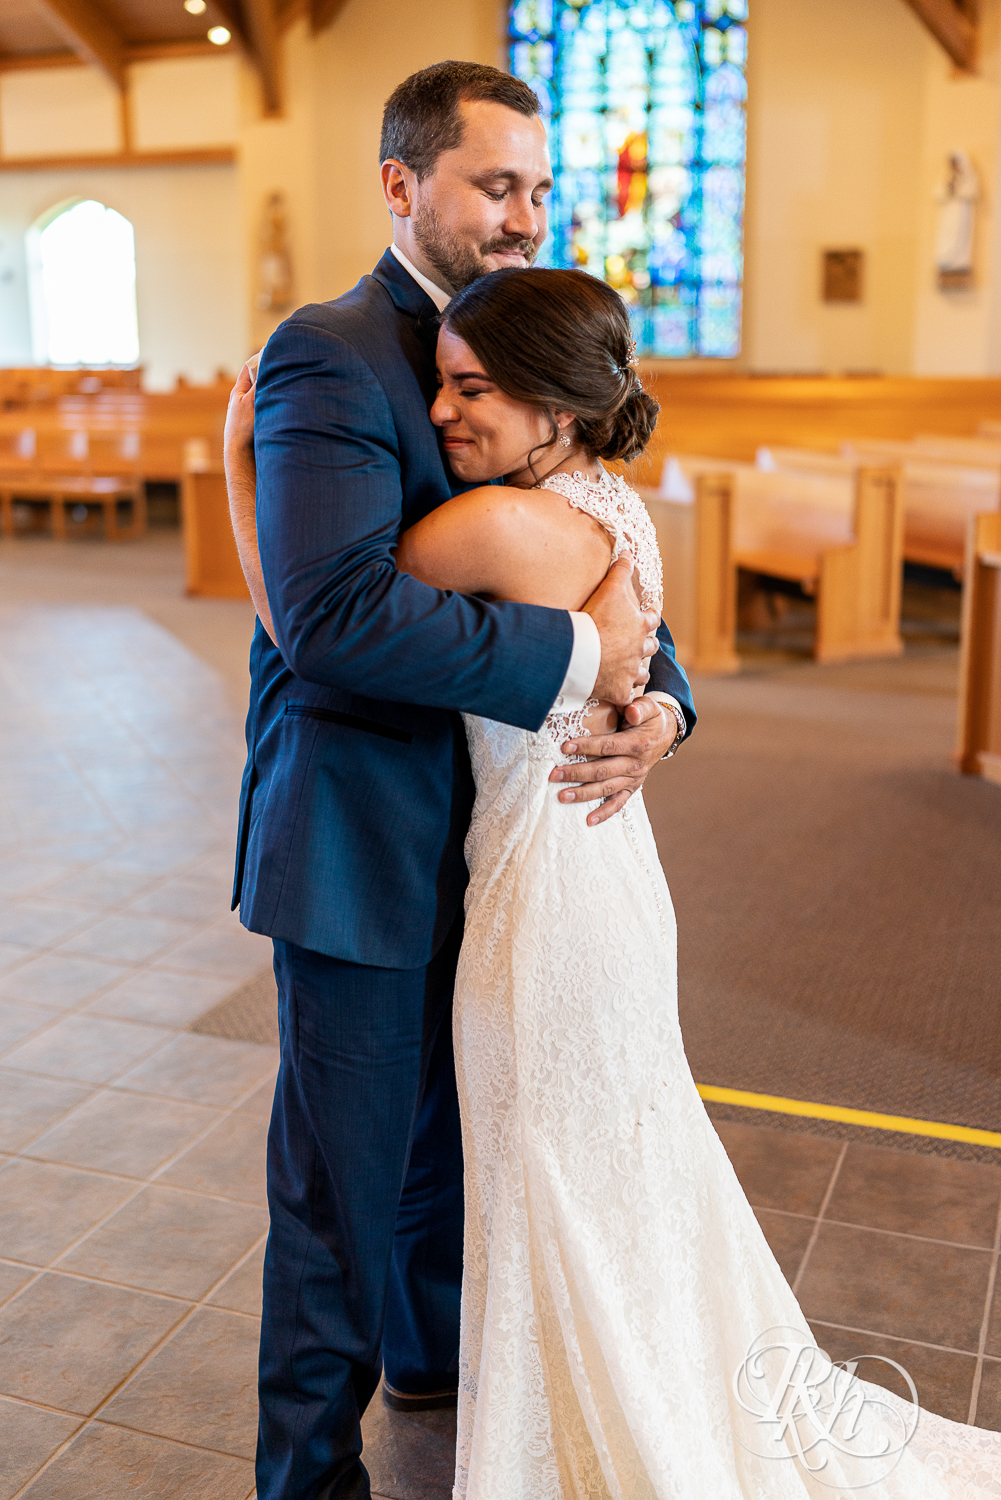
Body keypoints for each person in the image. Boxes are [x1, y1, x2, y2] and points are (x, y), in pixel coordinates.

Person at [393, 266, 1001, 1500]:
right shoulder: (616, 508)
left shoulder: (498, 527)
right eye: (439, 386)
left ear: (558, 404)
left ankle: (582, 1435)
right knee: (615, 1167)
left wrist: (252, 479)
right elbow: (624, 659)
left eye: (471, 389)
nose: (443, 414)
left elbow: (327, 616)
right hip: (608, 872)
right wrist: (656, 696)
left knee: (547, 1177)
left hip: (545, 898)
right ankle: (632, 1391)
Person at [224, 61, 696, 1500]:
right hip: (363, 838)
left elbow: (624, 580)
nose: (524, 215)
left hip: (512, 841)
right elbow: (337, 620)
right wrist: (577, 653)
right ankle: (307, 1476)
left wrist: (663, 705)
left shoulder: (528, 342)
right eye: (498, 186)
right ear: (401, 185)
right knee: (340, 1193)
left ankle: (430, 1369)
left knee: (457, 1147)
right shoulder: (331, 351)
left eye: (537, 190)